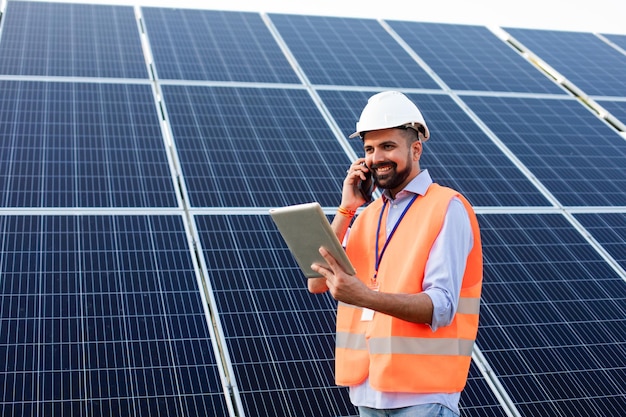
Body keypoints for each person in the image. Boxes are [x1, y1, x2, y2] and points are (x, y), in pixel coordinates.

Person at [309, 91, 483, 417]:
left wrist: (364, 296)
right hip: (366, 391)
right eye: (369, 149)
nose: (376, 158)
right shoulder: (367, 215)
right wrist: (346, 209)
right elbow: (318, 280)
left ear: (415, 149)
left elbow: (441, 307)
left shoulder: (447, 207)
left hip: (423, 396)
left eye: (388, 146)